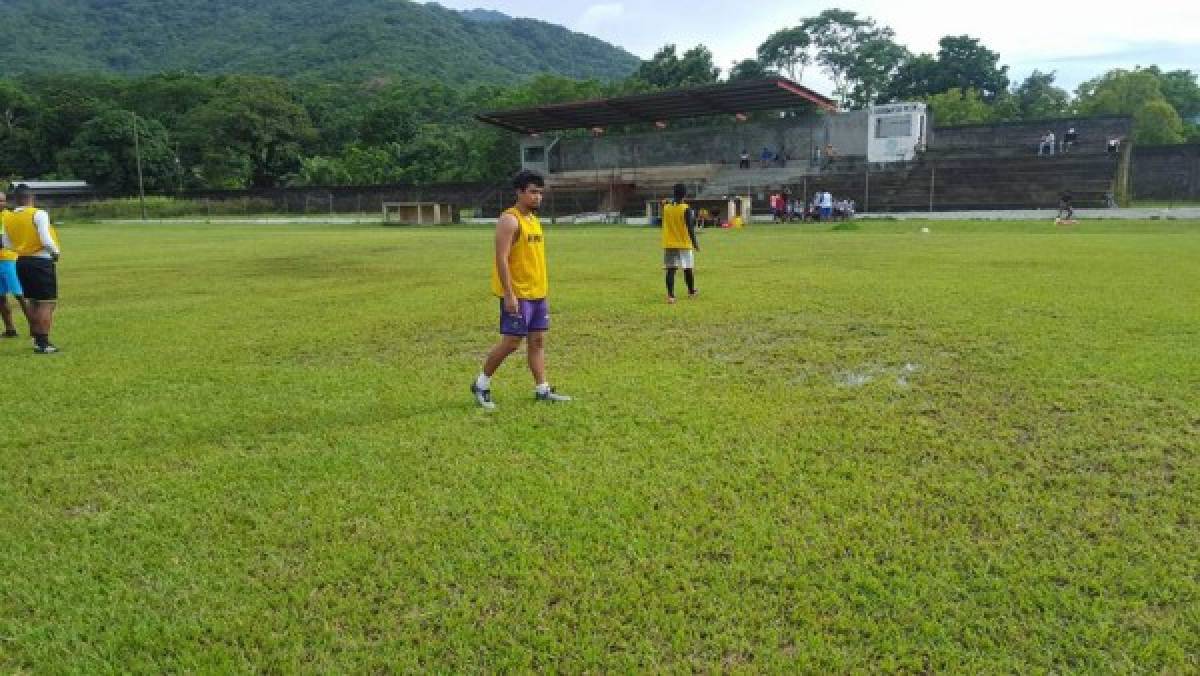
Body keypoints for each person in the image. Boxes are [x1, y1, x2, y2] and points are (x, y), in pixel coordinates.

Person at [471, 170, 570, 410]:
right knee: (512, 342)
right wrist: (509, 294)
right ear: (520, 192)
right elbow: (501, 259)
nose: (538, 197)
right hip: (518, 294)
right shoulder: (509, 219)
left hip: (537, 293)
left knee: (537, 342)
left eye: (540, 193)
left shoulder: (534, 221)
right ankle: (481, 384)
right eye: (533, 192)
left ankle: (542, 389)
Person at [1, 185, 60, 353]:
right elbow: (46, 240)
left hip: (21, 261)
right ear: (31, 198)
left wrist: (22, 248)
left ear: (15, 199)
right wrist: (55, 252)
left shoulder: (9, 218)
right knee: (47, 302)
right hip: (40, 261)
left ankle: (37, 339)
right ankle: (43, 343)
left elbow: (6, 243)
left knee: (33, 301)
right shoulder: (38, 214)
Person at [662, 183, 699, 304]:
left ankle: (671, 296)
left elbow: (664, 203)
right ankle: (691, 291)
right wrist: (695, 243)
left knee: (671, 270)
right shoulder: (686, 209)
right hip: (684, 243)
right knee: (688, 269)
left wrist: (667, 201)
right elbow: (690, 228)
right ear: (685, 194)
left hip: (670, 243)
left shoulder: (666, 208)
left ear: (674, 193)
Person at [0, 191, 30, 338]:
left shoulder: (9, 217)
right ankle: (10, 329)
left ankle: (35, 328)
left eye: (3, 201)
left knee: (20, 295)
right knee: (1, 297)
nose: (1, 203)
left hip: (9, 260)